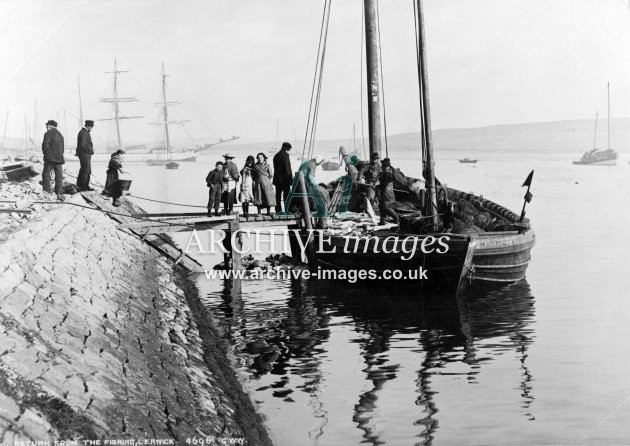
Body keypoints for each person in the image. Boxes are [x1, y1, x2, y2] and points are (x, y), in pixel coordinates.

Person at [41, 120, 65, 200]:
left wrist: (46, 153)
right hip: (59, 158)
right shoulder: (60, 135)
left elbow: (45, 145)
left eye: (46, 126)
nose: (46, 128)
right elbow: (62, 149)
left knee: (46, 174)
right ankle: (59, 192)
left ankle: (46, 191)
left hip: (50, 158)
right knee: (58, 175)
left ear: (49, 126)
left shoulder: (48, 133)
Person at [376, 158, 399, 225]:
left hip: (387, 193)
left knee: (386, 207)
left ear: (386, 166)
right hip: (388, 193)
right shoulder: (389, 172)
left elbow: (384, 184)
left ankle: (396, 218)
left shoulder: (386, 174)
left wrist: (377, 186)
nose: (382, 166)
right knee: (382, 206)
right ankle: (382, 221)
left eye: (383, 165)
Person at [272, 141, 293, 212]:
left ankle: (278, 209)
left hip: (277, 179)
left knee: (278, 195)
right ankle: (287, 209)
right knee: (286, 195)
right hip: (285, 179)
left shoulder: (276, 155)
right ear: (287, 148)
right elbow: (287, 168)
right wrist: (290, 180)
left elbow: (275, 167)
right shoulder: (285, 155)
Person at [75, 120, 95, 191]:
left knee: (83, 170)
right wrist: (88, 152)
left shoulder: (83, 132)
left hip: (84, 154)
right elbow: (82, 144)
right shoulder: (84, 133)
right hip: (85, 154)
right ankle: (84, 187)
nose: (91, 128)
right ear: (88, 126)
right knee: (86, 170)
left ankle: (80, 185)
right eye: (91, 127)